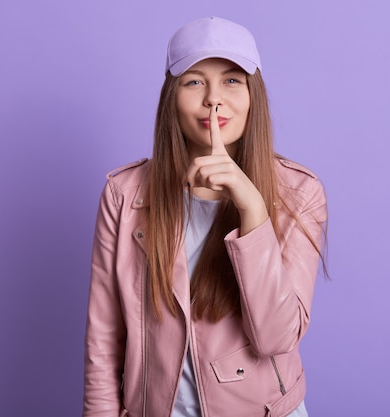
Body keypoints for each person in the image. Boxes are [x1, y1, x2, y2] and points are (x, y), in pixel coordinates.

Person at [83, 16, 327, 417]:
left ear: (254, 95)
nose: (214, 98)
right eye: (194, 81)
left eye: (232, 80)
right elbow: (103, 339)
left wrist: (252, 209)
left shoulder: (299, 193)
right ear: (170, 97)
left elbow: (276, 338)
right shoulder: (124, 194)